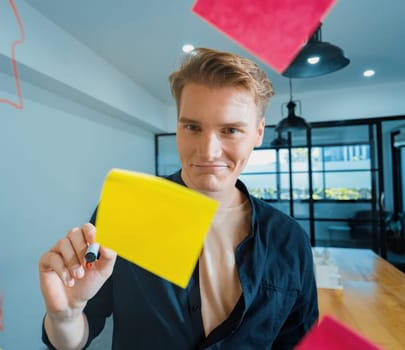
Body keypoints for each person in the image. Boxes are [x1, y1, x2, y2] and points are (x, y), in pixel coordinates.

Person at [38, 47, 318, 349]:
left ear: (259, 132)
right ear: (178, 126)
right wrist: (65, 317)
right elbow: (73, 339)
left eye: (231, 130)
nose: (208, 151)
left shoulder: (289, 240)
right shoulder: (129, 211)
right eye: (192, 127)